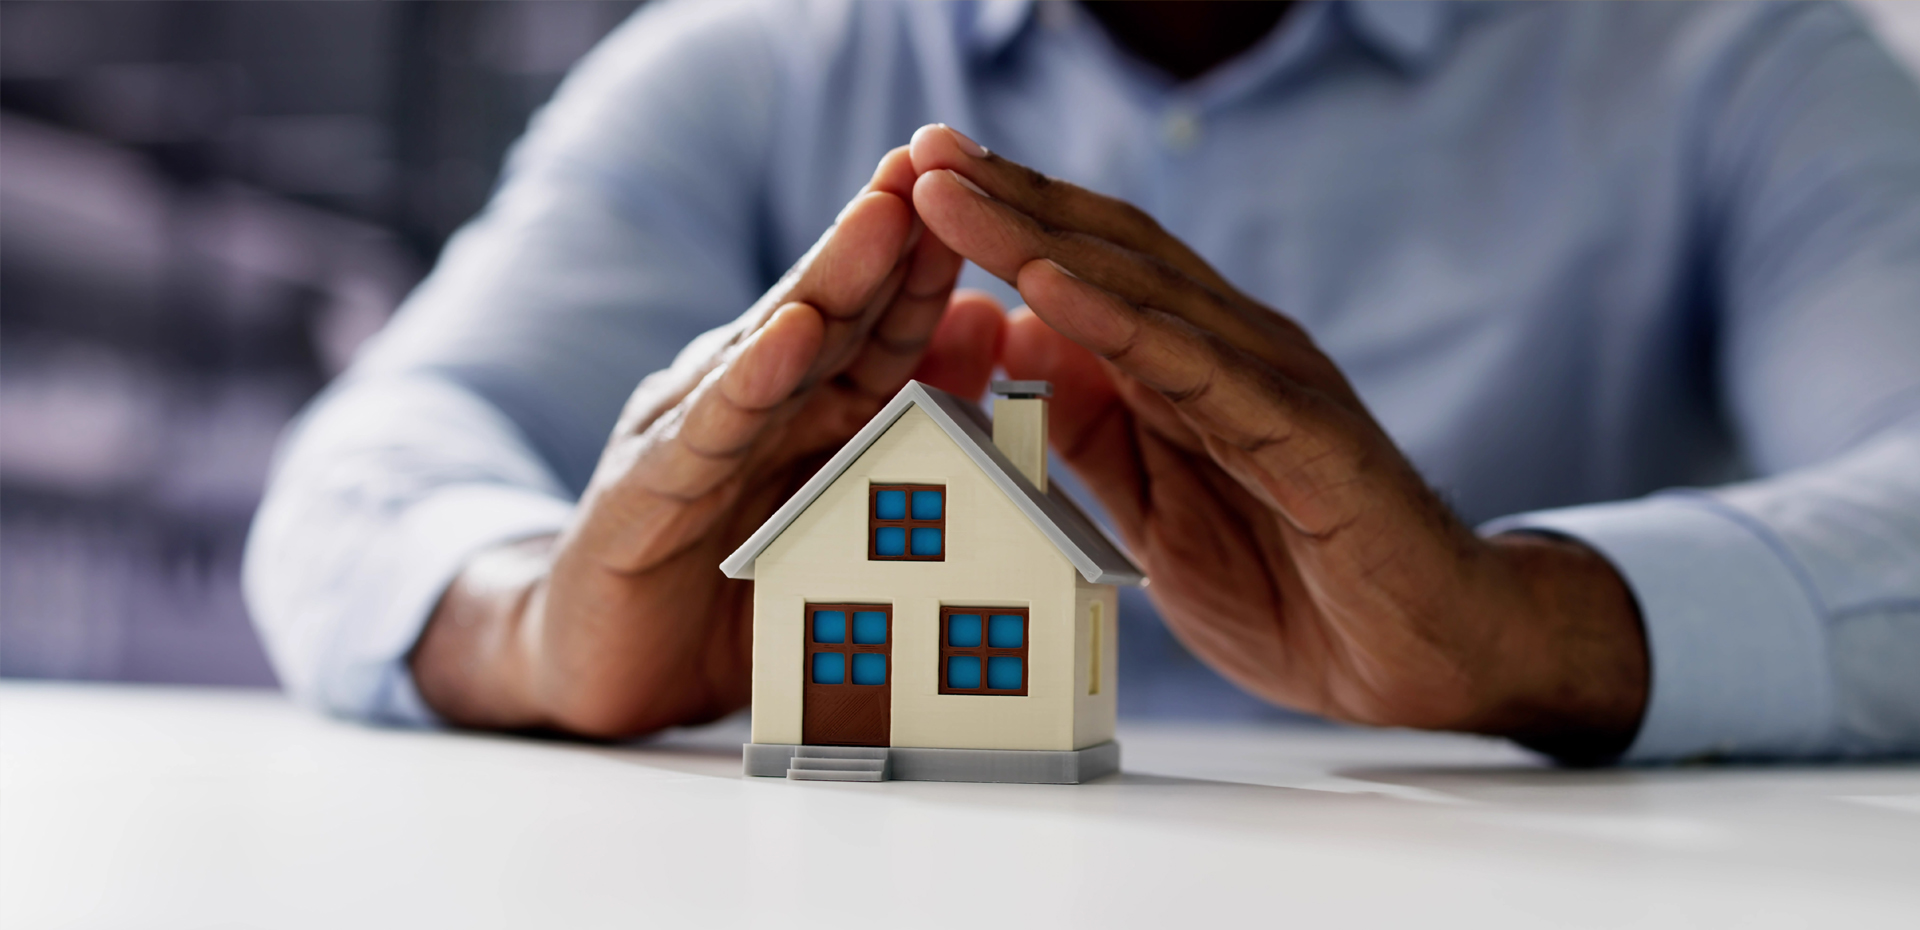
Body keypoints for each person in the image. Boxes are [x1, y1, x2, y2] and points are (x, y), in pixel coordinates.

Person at [245, 0, 1920, 764]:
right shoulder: (738, 62)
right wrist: (534, 622)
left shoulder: (1744, 58)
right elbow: (367, 470)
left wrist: (1531, 624)